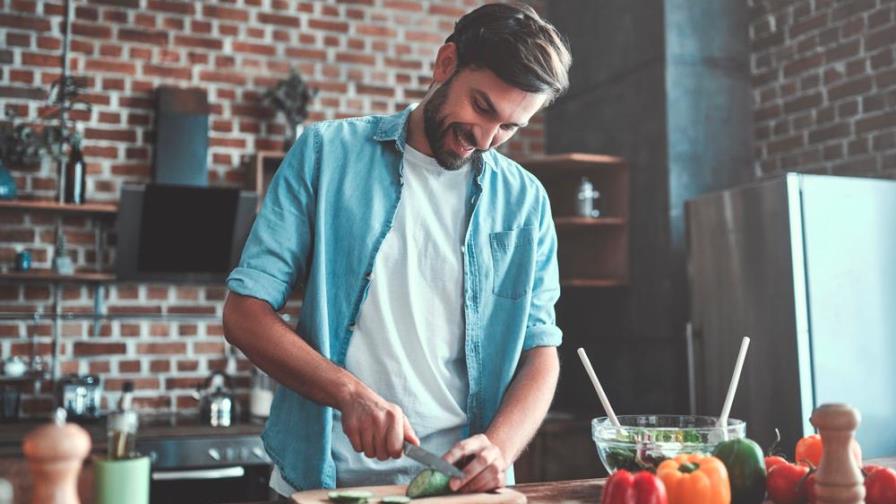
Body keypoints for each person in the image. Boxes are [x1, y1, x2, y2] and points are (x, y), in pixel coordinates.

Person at [223, 2, 572, 497]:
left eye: (510, 127)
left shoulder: (525, 200)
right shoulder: (326, 154)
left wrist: (499, 447)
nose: (487, 139)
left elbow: (541, 350)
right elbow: (244, 313)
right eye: (482, 107)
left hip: (457, 490)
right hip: (327, 483)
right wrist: (349, 394)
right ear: (445, 64)